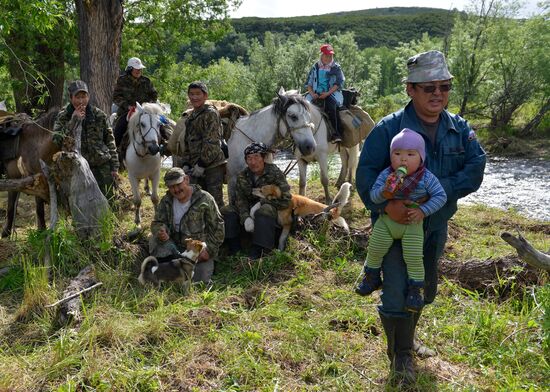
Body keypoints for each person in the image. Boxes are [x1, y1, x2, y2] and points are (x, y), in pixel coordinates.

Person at [356, 50, 486, 385]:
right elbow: (366, 173)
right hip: (395, 225)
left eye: (445, 86)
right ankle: (400, 355)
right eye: (429, 87)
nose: (438, 94)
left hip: (435, 223)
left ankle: (407, 339)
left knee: (424, 289)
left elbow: (475, 170)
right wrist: (386, 206)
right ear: (410, 89)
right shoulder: (389, 129)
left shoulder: (459, 129)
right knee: (397, 286)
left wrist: (437, 192)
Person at [355, 128, 447, 313]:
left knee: (413, 257)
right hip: (387, 220)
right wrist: (384, 193)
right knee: (375, 249)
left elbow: (440, 196)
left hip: (412, 223)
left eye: (411, 154)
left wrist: (422, 210)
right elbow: (373, 196)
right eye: (397, 154)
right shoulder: (386, 175)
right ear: (391, 156)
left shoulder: (426, 178)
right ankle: (371, 277)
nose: (403, 159)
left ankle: (416, 290)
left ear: (421, 158)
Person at [150, 167, 225, 284]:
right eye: (171, 187)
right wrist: (161, 230)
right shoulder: (166, 201)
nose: (176, 190)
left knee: (199, 280)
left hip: (198, 251)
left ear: (186, 180)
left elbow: (218, 227)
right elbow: (157, 222)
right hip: (174, 247)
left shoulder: (205, 199)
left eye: (178, 184)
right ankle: (168, 269)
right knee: (155, 244)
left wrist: (209, 251)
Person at [221, 142, 291, 259]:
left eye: (256, 157)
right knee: (227, 211)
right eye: (249, 158)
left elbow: (286, 199)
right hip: (248, 210)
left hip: (270, 211)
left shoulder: (275, 173)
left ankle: (259, 249)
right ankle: (234, 249)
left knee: (265, 210)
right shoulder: (243, 176)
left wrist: (262, 203)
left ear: (263, 158)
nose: (253, 162)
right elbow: (240, 200)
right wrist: (246, 217)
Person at [53, 80, 119, 201]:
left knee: (109, 201)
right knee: (82, 203)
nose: (81, 101)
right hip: (77, 168)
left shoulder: (98, 115)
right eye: (77, 97)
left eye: (84, 97)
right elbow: (56, 139)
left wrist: (114, 167)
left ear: (88, 97)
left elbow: (110, 141)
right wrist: (73, 120)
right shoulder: (63, 116)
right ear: (71, 98)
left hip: (101, 164)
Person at [179, 81, 226, 208]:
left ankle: (220, 228)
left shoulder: (210, 114)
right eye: (191, 94)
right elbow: (187, 143)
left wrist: (202, 164)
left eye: (198, 94)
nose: (194, 97)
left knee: (215, 203)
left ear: (205, 96)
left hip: (212, 166)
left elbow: (212, 142)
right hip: (195, 167)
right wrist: (186, 164)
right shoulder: (190, 117)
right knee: (197, 204)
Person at [112, 57, 158, 149]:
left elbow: (154, 95)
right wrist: (127, 106)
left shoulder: (146, 81)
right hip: (127, 111)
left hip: (146, 111)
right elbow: (116, 97)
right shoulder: (122, 80)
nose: (139, 71)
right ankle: (115, 150)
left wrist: (149, 105)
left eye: (140, 69)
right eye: (136, 68)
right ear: (130, 69)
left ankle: (164, 145)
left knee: (161, 124)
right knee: (119, 128)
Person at [304, 43, 345, 143]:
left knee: (331, 106)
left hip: (331, 93)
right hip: (315, 93)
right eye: (326, 55)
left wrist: (327, 94)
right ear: (321, 55)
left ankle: (335, 134)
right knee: (304, 106)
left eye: (331, 55)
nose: (329, 57)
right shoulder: (315, 67)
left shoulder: (336, 67)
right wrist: (313, 94)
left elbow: (338, 83)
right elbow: (308, 83)